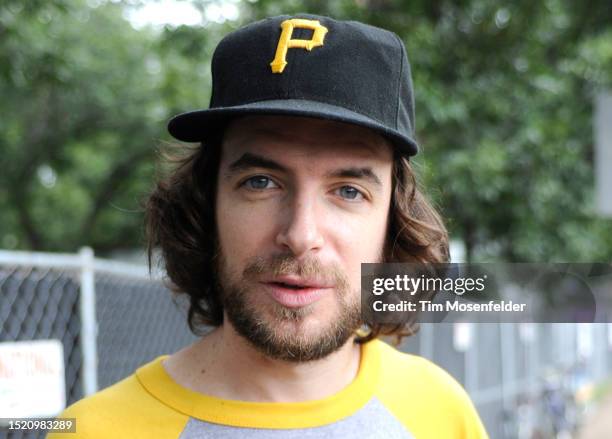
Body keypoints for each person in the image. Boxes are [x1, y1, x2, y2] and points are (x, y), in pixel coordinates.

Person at [49, 13, 488, 438]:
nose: (300, 235)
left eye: (349, 190)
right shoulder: (92, 432)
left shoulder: (442, 412)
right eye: (260, 182)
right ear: (207, 205)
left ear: (393, 220)